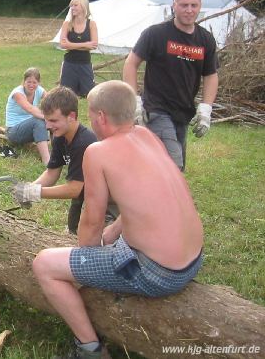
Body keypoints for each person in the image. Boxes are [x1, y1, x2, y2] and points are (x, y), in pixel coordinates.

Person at [32, 80, 203, 359]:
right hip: (193, 260)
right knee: (112, 236)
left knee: (44, 265)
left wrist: (83, 265)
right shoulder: (147, 136)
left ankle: (90, 349)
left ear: (101, 117)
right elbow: (146, 199)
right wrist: (112, 234)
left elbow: (91, 222)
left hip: (159, 273)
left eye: (90, 113)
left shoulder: (97, 152)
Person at [122, 0, 219, 170]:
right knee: (172, 165)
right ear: (174, 5)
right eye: (184, 5)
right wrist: (134, 100)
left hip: (183, 111)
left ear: (200, 7)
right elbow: (131, 63)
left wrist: (206, 109)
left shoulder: (205, 39)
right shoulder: (156, 34)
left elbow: (211, 74)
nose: (189, 10)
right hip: (157, 109)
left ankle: (143, 196)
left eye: (194, 6)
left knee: (167, 166)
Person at [11, 86, 116, 234]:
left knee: (97, 237)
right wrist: (28, 189)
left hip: (110, 203)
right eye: (46, 120)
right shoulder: (60, 136)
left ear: (71, 116)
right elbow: (52, 173)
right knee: (74, 231)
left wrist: (34, 192)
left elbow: (74, 189)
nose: (48, 126)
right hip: (86, 195)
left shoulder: (83, 143)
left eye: (53, 120)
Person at [5, 67, 49, 164]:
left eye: (34, 82)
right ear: (24, 82)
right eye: (29, 82)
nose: (31, 85)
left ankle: (59, 152)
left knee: (55, 122)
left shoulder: (40, 91)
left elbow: (51, 101)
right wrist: (48, 118)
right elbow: (30, 109)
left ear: (38, 83)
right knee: (38, 120)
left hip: (30, 130)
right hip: (13, 131)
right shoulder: (17, 93)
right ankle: (47, 161)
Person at [59, 0, 98, 97]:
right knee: (66, 95)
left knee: (89, 94)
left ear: (83, 7)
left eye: (75, 5)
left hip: (85, 64)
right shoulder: (67, 24)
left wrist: (71, 45)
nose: (72, 8)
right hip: (69, 64)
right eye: (71, 5)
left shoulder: (91, 24)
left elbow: (93, 45)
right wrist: (85, 44)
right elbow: (63, 44)